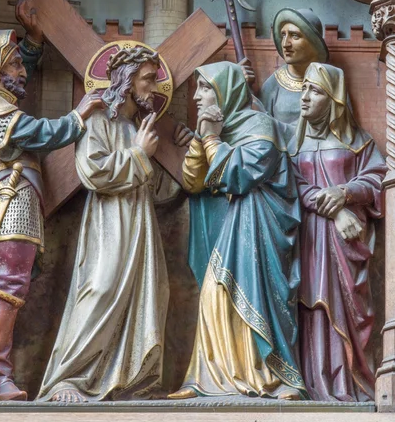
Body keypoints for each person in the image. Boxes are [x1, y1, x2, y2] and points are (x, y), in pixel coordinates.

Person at [0, 9, 103, 402]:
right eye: (15, 63)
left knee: (0, 294)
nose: (22, 71)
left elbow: (18, 87)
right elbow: (31, 132)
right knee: (6, 291)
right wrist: (78, 115)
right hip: (11, 203)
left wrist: (32, 44)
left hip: (17, 198)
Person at [38, 45, 183, 403]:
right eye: (149, 79)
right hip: (109, 220)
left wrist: (185, 152)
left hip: (140, 221)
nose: (155, 86)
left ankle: (134, 380)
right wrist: (138, 154)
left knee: (151, 292)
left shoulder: (137, 126)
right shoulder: (100, 120)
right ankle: (67, 378)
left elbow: (157, 188)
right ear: (127, 80)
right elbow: (93, 172)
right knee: (101, 289)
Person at [169, 61, 306, 400]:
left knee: (256, 299)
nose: (197, 97)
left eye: (205, 89)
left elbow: (242, 173)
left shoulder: (261, 125)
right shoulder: (220, 130)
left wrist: (213, 138)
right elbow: (193, 182)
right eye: (197, 89)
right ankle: (209, 377)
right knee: (213, 298)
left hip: (260, 229)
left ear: (227, 91)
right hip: (227, 229)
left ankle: (275, 376)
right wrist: (204, 140)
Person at [290, 62, 386, 401]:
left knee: (349, 309)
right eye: (303, 88)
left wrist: (345, 193)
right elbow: (291, 184)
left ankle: (350, 383)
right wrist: (332, 206)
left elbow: (378, 179)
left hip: (345, 245)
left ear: (333, 99)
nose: (304, 97)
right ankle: (314, 383)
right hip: (308, 239)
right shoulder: (293, 144)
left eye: (314, 90)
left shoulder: (358, 142)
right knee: (310, 307)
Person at [243, 8, 329, 140]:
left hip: (317, 155)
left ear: (313, 43)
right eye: (283, 35)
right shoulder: (274, 83)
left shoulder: (328, 81)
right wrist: (243, 87)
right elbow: (258, 124)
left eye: (295, 36)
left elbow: (342, 130)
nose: (285, 44)